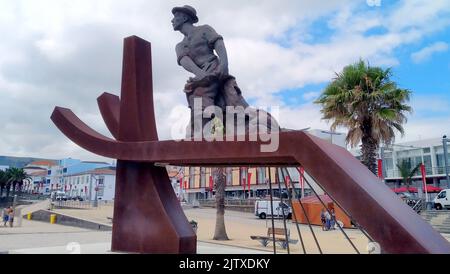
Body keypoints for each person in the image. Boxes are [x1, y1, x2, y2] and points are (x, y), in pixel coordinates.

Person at [171, 5, 277, 137]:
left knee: (202, 95)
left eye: (175, 17)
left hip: (214, 67)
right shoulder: (180, 46)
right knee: (200, 95)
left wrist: (224, 65)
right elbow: (184, 60)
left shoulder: (204, 29)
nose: (172, 20)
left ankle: (202, 131)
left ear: (185, 17)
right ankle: (208, 128)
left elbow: (218, 43)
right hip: (203, 74)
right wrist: (201, 75)